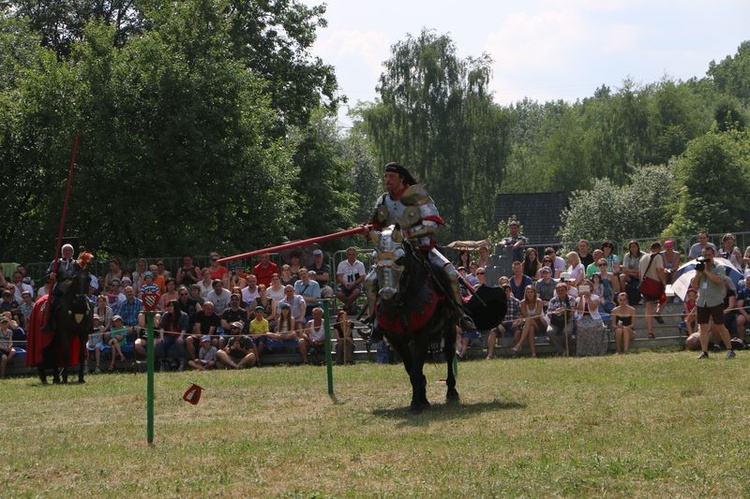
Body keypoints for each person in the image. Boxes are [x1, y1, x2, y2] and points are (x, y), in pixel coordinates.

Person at [364, 162, 476, 332]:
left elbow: (432, 224)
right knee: (370, 281)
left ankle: (460, 315)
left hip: (421, 248)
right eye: (386, 176)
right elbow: (377, 226)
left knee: (450, 273)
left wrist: (408, 233)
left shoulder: (417, 196)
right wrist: (368, 231)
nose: (387, 180)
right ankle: (373, 323)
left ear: (401, 178)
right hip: (390, 252)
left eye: (391, 177)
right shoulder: (383, 200)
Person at [692, 246, 736, 359]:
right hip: (702, 301)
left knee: (720, 325)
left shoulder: (719, 267)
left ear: (713, 255)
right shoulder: (700, 267)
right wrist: (698, 273)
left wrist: (706, 271)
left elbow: (719, 280)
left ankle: (730, 350)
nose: (707, 258)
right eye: (705, 255)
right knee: (703, 327)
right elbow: (694, 285)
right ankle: (704, 352)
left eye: (709, 255)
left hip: (715, 301)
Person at [486, 285, 522, 359]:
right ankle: (490, 354)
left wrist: (516, 321)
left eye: (507, 291)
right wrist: (499, 325)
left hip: (513, 323)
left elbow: (520, 314)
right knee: (493, 332)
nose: (505, 293)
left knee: (518, 332)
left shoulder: (516, 301)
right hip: (500, 323)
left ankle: (514, 352)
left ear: (510, 292)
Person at [639, 242, 667, 339]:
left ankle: (650, 332)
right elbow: (660, 270)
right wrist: (664, 283)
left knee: (648, 309)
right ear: (659, 249)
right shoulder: (658, 257)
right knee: (664, 299)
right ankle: (658, 313)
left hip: (645, 285)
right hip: (655, 284)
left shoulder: (643, 257)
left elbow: (640, 273)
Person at [574, 279, 607, 356]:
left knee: (592, 327)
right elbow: (580, 310)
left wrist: (588, 297)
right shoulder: (578, 298)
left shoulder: (595, 297)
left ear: (591, 288)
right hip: (583, 318)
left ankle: (593, 351)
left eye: (587, 285)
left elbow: (592, 308)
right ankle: (582, 352)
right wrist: (582, 297)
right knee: (581, 328)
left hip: (594, 318)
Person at [511, 285, 545, 357]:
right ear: (525, 293)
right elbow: (525, 315)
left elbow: (537, 315)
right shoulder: (523, 303)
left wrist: (528, 317)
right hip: (529, 324)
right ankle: (533, 354)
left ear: (534, 293)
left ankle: (519, 344)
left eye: (531, 292)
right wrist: (527, 317)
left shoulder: (539, 302)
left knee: (529, 320)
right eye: (528, 292)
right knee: (531, 329)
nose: (529, 294)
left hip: (540, 323)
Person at [156, 299, 189, 371]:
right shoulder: (166, 315)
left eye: (171, 306)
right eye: (168, 306)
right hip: (168, 336)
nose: (169, 308)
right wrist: (161, 337)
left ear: (176, 307)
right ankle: (162, 363)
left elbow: (184, 328)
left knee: (179, 343)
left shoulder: (184, 315)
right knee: (160, 343)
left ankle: (182, 363)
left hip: (179, 335)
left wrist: (181, 337)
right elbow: (162, 327)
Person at [546, 282, 576, 356]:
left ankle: (566, 350)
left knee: (567, 332)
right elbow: (548, 313)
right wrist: (555, 312)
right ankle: (563, 350)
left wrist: (565, 310)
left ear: (566, 291)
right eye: (558, 290)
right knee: (549, 331)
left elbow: (572, 312)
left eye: (562, 290)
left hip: (568, 321)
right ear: (556, 292)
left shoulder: (571, 299)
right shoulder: (552, 300)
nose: (560, 292)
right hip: (555, 322)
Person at [336, 248, 366, 315]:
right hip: (344, 284)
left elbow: (362, 277)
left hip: (356, 284)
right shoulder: (342, 264)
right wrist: (345, 283)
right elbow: (339, 277)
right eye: (350, 254)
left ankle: (346, 306)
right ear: (347, 255)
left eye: (353, 254)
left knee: (357, 291)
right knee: (339, 294)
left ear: (356, 255)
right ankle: (351, 305)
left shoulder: (360, 264)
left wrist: (353, 283)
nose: (351, 256)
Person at [620, 240, 644, 305]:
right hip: (631, 276)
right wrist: (635, 273)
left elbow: (643, 269)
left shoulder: (643, 255)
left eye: (634, 246)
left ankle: (643, 297)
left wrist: (631, 270)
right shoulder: (627, 256)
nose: (633, 248)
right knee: (622, 276)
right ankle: (623, 295)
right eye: (631, 247)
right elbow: (624, 270)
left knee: (642, 275)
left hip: (641, 275)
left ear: (638, 247)